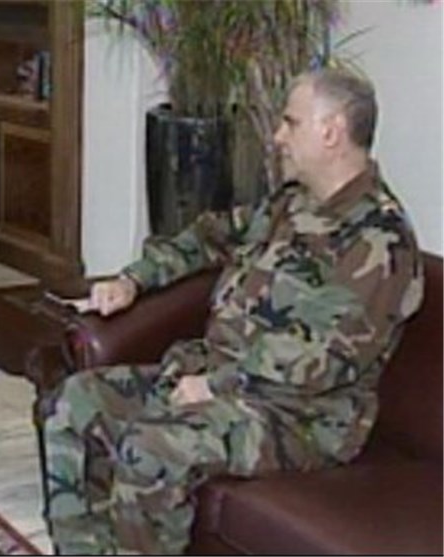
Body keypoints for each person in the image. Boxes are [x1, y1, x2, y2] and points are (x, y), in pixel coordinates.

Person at [42, 67, 424, 554]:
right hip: (221, 378)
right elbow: (210, 236)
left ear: (331, 132)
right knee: (72, 403)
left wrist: (216, 385)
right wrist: (132, 280)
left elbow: (324, 359)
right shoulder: (291, 204)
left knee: (151, 449)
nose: (278, 136)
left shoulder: (379, 240)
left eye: (290, 122)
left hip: (301, 418)